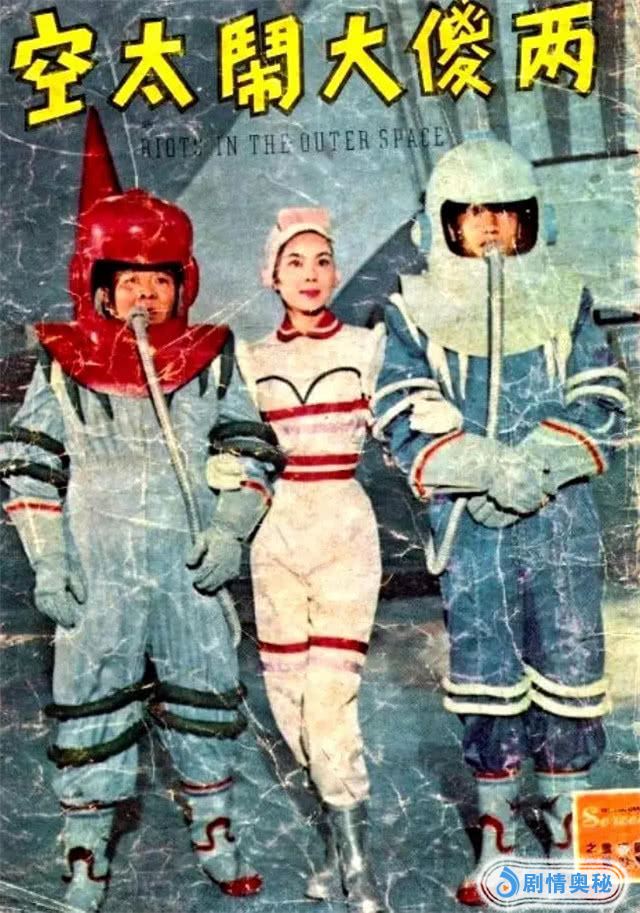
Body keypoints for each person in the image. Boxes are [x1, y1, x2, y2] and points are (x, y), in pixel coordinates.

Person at [0, 108, 280, 912]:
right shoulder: (63, 366)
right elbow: (29, 462)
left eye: (159, 279)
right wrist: (50, 561)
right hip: (98, 568)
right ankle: (85, 847)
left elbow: (249, 444)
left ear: (184, 281)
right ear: (97, 284)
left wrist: (229, 531)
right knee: (91, 698)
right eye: (129, 279)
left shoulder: (212, 357)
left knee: (204, 694)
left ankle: (215, 830)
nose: (145, 293)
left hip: (188, 565)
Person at [373, 138, 629, 906]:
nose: (491, 227)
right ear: (443, 221)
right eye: (473, 212)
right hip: (472, 524)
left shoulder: (565, 295)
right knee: (487, 675)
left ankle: (569, 826)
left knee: (569, 666)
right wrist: (482, 469)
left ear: (531, 220)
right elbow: (402, 407)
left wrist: (539, 467)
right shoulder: (412, 308)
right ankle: (497, 830)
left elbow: (602, 395)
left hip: (559, 520)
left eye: (507, 213)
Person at [237, 208, 386, 913]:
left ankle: (358, 864)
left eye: (322, 260)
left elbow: (402, 425)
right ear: (272, 275)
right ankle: (336, 843)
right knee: (289, 704)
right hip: (275, 535)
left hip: (344, 528)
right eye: (294, 262)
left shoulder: (367, 347)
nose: (310, 274)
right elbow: (237, 449)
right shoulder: (249, 359)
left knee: (329, 702)